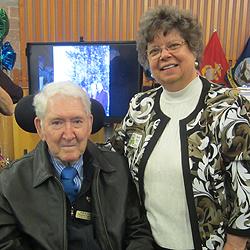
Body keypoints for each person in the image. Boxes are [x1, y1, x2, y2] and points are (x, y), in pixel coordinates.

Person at [109, 6, 250, 250]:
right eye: (154, 50)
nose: (164, 55)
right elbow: (113, 158)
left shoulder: (227, 106)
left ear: (193, 49)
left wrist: (236, 244)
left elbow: (246, 181)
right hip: (148, 244)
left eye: (173, 45)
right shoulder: (140, 106)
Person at [0, 81, 154, 250]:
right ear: (40, 127)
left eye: (77, 121)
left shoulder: (118, 169)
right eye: (57, 122)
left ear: (89, 124)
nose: (69, 134)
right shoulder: (10, 182)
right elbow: (6, 244)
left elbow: (138, 233)